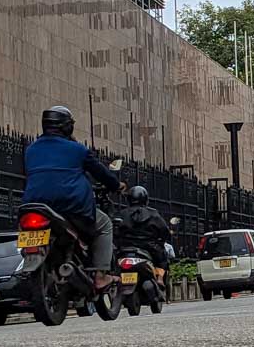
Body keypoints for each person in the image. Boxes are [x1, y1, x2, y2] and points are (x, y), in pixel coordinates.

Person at [22, 106, 123, 290]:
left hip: (35, 206)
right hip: (72, 207)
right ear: (67, 127)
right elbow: (100, 173)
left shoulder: (31, 150)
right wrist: (116, 186)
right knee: (105, 224)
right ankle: (101, 275)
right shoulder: (77, 150)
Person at [115, 186, 173, 291]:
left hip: (125, 247)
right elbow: (164, 230)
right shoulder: (153, 214)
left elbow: (115, 230)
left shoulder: (122, 213)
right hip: (149, 247)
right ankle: (159, 278)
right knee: (162, 257)